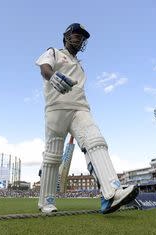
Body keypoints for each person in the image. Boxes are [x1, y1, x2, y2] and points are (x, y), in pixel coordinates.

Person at [35, 23, 138, 214]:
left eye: (82, 37)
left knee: (96, 141)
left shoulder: (80, 67)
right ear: (66, 36)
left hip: (80, 109)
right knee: (53, 157)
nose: (79, 39)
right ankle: (46, 202)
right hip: (56, 109)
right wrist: (53, 76)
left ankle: (112, 192)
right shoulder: (54, 52)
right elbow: (44, 68)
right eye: (76, 35)